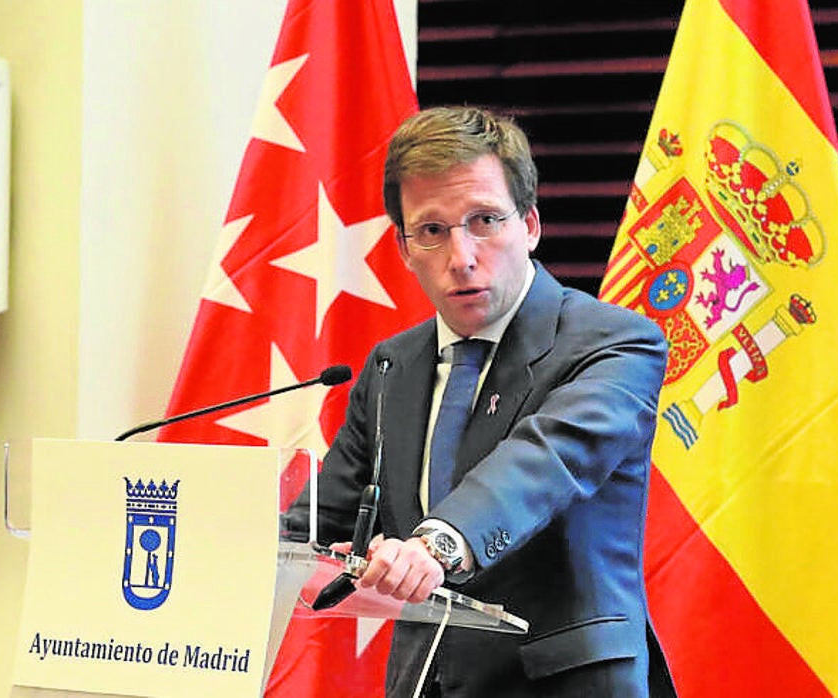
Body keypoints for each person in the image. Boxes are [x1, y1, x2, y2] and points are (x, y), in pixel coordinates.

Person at [288, 105, 676, 698]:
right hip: (430, 683)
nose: (462, 256)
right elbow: (319, 520)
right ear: (404, 247)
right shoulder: (393, 365)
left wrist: (435, 545)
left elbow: (545, 462)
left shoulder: (615, 342)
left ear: (531, 226)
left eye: (485, 221)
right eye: (433, 230)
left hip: (564, 682)